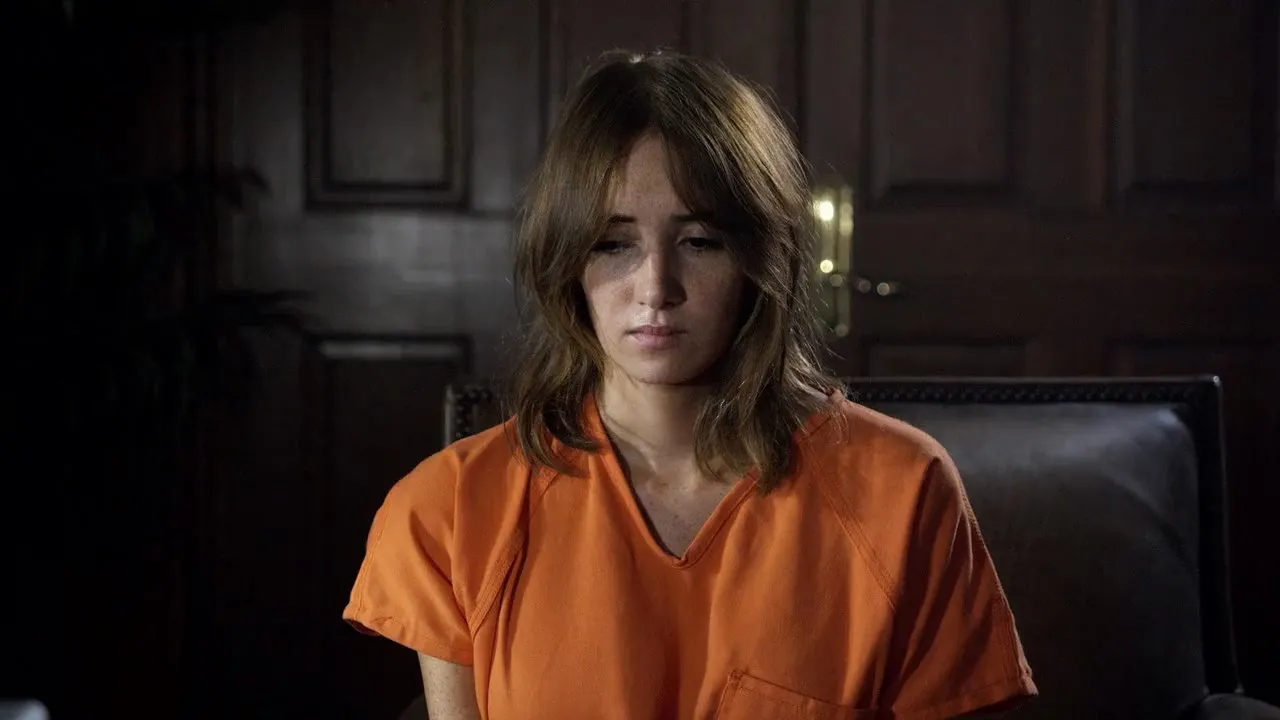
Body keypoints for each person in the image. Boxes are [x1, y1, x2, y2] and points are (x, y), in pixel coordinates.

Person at [343, 50, 1037, 719]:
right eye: (613, 243)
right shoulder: (449, 509)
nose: (656, 288)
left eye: (700, 242)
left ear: (759, 259)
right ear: (567, 261)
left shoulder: (903, 489)